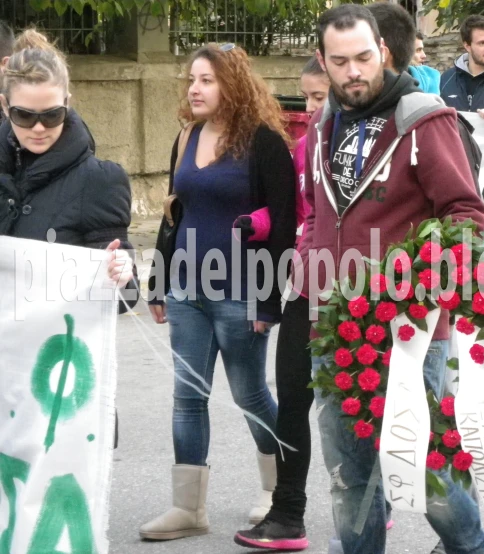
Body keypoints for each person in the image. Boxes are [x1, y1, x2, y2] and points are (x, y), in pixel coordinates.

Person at [288, 5, 484, 553]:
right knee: (349, 477)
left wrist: (422, 281)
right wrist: (308, 259)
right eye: (340, 62)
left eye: (363, 57)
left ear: (381, 49)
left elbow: (465, 213)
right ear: (323, 62)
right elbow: (314, 209)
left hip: (410, 327)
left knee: (422, 472)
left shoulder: (427, 119)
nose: (353, 71)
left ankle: (473, 547)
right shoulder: (323, 120)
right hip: (333, 324)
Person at [140, 43, 296, 541]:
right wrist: (159, 281)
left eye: (206, 79)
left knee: (250, 393)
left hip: (242, 292)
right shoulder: (186, 135)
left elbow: (284, 225)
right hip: (187, 288)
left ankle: (278, 493)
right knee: (187, 395)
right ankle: (189, 508)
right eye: (192, 79)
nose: (194, 88)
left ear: (233, 83)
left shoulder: (265, 141)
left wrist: (269, 300)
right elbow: (173, 213)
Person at [233, 56, 328, 552]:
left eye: (321, 96)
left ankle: (373, 503)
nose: (312, 108)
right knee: (293, 396)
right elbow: (294, 213)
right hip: (303, 288)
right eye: (307, 97)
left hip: (358, 290)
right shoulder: (303, 146)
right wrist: (260, 224)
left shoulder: (377, 143)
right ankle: (288, 513)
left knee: (358, 405)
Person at [0, 36, 134, 301]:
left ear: (67, 104)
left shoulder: (99, 180)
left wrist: (120, 275)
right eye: (24, 115)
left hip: (54, 338)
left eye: (52, 115)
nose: (38, 128)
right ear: (5, 106)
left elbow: (125, 299)